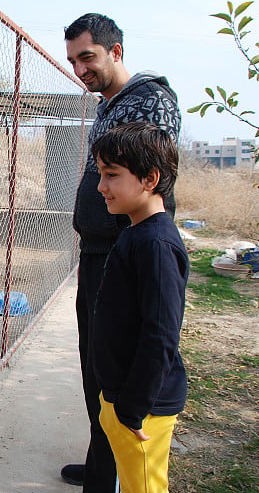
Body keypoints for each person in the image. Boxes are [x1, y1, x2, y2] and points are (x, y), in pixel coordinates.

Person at [62, 13, 182, 492]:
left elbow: (145, 175)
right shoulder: (111, 103)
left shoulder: (149, 100)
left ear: (116, 52)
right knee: (98, 363)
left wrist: (114, 230)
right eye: (73, 60)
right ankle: (101, 466)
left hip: (121, 255)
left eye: (87, 57)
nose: (80, 69)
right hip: (103, 253)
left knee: (114, 363)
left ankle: (109, 471)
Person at [91, 121, 188, 493]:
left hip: (142, 410)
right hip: (122, 401)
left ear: (150, 179)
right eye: (101, 174)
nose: (102, 187)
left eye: (112, 175)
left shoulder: (157, 245)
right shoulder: (136, 232)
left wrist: (131, 408)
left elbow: (160, 334)